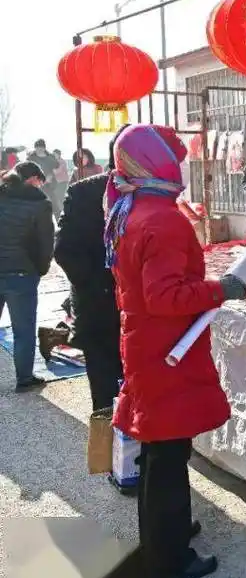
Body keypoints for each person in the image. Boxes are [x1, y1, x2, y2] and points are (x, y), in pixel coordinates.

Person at [105, 123, 246, 578]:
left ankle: (165, 533)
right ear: (155, 162)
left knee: (159, 447)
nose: (180, 168)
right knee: (166, 454)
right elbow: (164, 296)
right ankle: (167, 558)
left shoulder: (129, 208)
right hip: (165, 349)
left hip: (145, 342)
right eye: (174, 158)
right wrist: (220, 290)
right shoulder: (161, 219)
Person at [55, 135, 126, 411]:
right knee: (107, 396)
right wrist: (102, 287)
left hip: (138, 313)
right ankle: (107, 438)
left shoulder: (150, 191)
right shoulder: (85, 192)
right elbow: (65, 251)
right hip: (100, 312)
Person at [0, 161, 53, 392]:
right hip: (22, 274)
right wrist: (40, 269)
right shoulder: (39, 204)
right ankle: (24, 379)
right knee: (23, 330)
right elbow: (45, 244)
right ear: (32, 179)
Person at [51, 149, 70, 216]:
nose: (53, 156)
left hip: (63, 182)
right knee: (56, 197)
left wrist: (50, 170)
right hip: (57, 183)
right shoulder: (54, 162)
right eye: (53, 154)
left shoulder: (62, 162)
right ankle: (60, 211)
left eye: (55, 154)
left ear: (59, 155)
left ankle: (64, 211)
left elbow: (58, 171)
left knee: (60, 197)